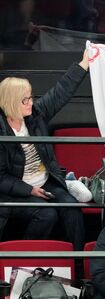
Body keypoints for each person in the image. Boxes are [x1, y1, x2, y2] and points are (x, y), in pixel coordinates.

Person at [0, 49, 88, 251]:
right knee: (47, 214)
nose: (31, 102)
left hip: (45, 182)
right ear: (11, 102)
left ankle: (80, 265)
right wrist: (30, 190)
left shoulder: (35, 115)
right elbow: (1, 177)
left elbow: (60, 92)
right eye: (25, 100)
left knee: (71, 208)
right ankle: (22, 263)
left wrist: (84, 64)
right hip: (15, 191)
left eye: (31, 97)